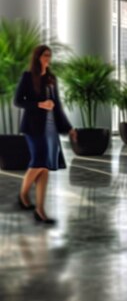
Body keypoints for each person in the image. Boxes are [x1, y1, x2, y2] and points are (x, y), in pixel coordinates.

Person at [15, 45, 77, 225]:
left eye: (49, 55)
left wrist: (69, 128)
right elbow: (18, 101)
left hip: (51, 128)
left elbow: (57, 106)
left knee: (45, 167)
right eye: (45, 55)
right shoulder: (28, 77)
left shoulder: (51, 78)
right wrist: (40, 105)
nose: (48, 58)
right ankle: (23, 194)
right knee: (38, 161)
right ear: (37, 57)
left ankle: (40, 210)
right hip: (33, 127)